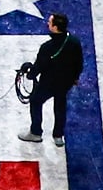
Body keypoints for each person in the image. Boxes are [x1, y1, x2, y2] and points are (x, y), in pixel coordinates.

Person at [16, 10, 84, 145]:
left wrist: (29, 75)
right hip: (65, 82)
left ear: (55, 27)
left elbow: (39, 66)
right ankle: (58, 136)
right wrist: (75, 77)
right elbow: (79, 62)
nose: (48, 23)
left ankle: (36, 132)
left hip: (48, 83)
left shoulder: (47, 47)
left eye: (50, 22)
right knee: (60, 106)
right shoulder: (74, 42)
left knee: (35, 101)